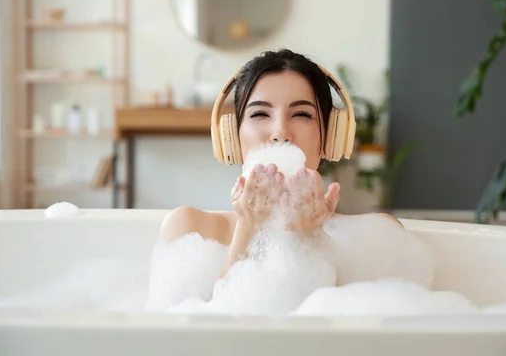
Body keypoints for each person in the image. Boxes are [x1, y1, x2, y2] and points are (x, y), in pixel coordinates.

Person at [159, 49, 402, 274]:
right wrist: (247, 229)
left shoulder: (381, 237)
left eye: (302, 114)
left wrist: (312, 242)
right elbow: (207, 317)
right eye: (260, 113)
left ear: (329, 138)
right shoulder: (189, 229)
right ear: (233, 138)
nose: (280, 132)